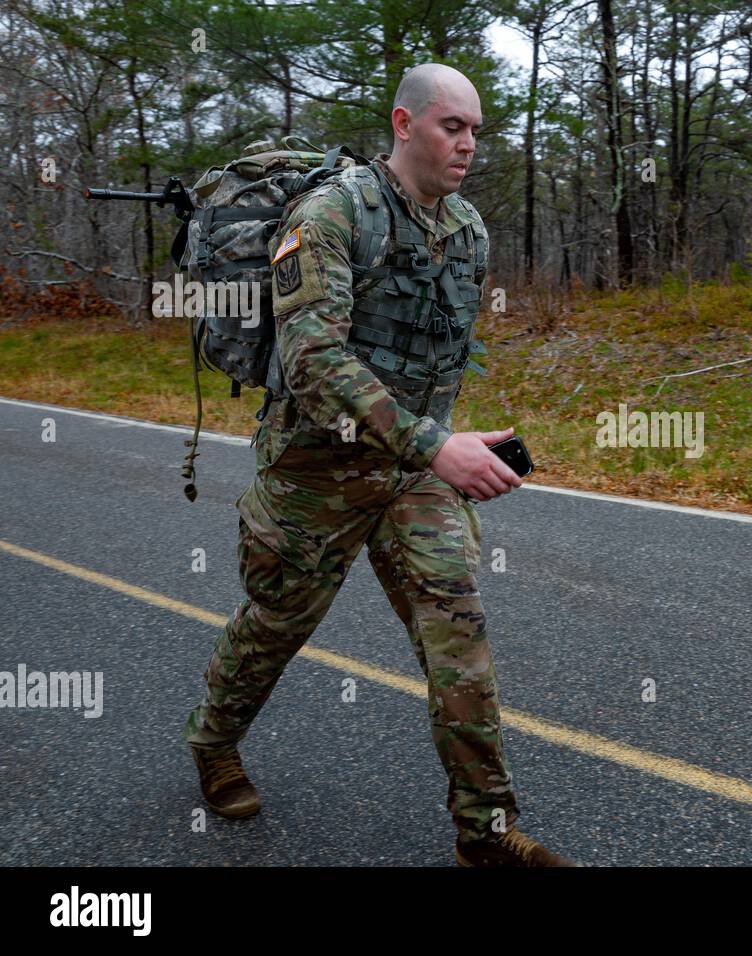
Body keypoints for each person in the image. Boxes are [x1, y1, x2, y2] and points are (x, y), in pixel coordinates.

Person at [182, 63, 574, 868]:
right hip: (314, 475)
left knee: (458, 641)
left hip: (410, 476)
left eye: (475, 130)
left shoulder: (467, 229)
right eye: (450, 127)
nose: (467, 144)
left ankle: (486, 833)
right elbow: (312, 358)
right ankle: (212, 740)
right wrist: (439, 445)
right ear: (404, 124)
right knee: (274, 628)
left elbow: (440, 354)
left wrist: (454, 443)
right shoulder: (329, 215)